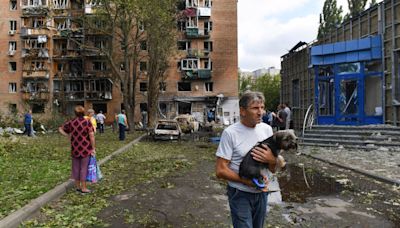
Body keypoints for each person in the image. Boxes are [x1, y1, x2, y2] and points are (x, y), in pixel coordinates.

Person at [215, 91, 277, 228]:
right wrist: (246, 181)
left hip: (262, 193)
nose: (260, 112)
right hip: (240, 194)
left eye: (262, 107)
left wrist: (272, 160)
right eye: (255, 108)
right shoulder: (230, 133)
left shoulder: (267, 130)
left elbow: (272, 169)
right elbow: (220, 170)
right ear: (242, 111)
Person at [59, 105, 95, 194]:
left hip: (75, 148)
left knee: (76, 168)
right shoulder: (87, 122)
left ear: (75, 113)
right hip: (85, 148)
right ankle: (84, 188)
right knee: (84, 168)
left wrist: (67, 135)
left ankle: (77, 187)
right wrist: (93, 148)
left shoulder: (71, 122)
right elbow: (91, 135)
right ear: (83, 112)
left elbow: (60, 128)